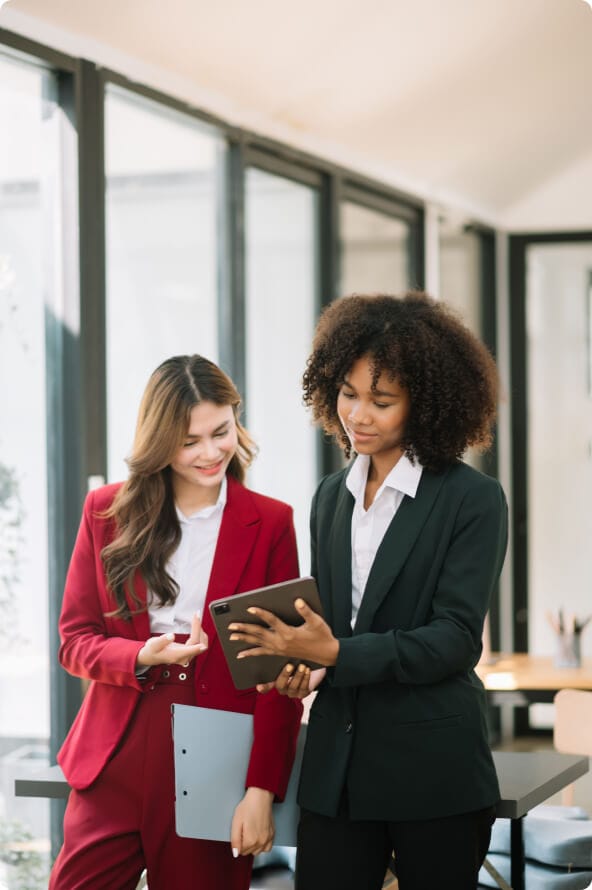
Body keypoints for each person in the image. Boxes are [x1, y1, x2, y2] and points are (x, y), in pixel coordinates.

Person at [228, 292, 509, 890]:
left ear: (426, 406)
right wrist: (305, 665)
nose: (359, 414)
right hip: (338, 771)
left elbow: (455, 640)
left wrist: (337, 656)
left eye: (382, 401)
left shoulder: (472, 500)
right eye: (348, 394)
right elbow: (336, 628)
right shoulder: (331, 496)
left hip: (432, 772)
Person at [49, 355, 303, 890]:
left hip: (216, 757)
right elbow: (74, 641)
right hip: (115, 747)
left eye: (221, 432)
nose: (210, 453)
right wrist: (140, 656)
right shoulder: (106, 511)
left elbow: (279, 672)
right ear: (160, 441)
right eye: (189, 441)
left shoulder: (272, 522)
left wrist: (261, 790)